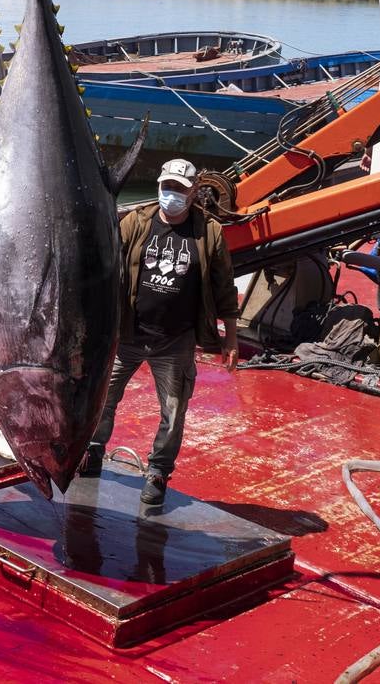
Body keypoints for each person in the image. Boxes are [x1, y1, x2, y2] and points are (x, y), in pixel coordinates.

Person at [80, 157, 240, 506]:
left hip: (175, 340)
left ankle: (158, 471)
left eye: (180, 189)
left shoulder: (209, 232)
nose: (172, 194)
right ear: (159, 185)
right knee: (102, 398)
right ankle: (91, 450)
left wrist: (230, 337)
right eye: (167, 187)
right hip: (128, 334)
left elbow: (224, 286)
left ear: (194, 191)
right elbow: (104, 269)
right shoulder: (135, 222)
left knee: (173, 410)